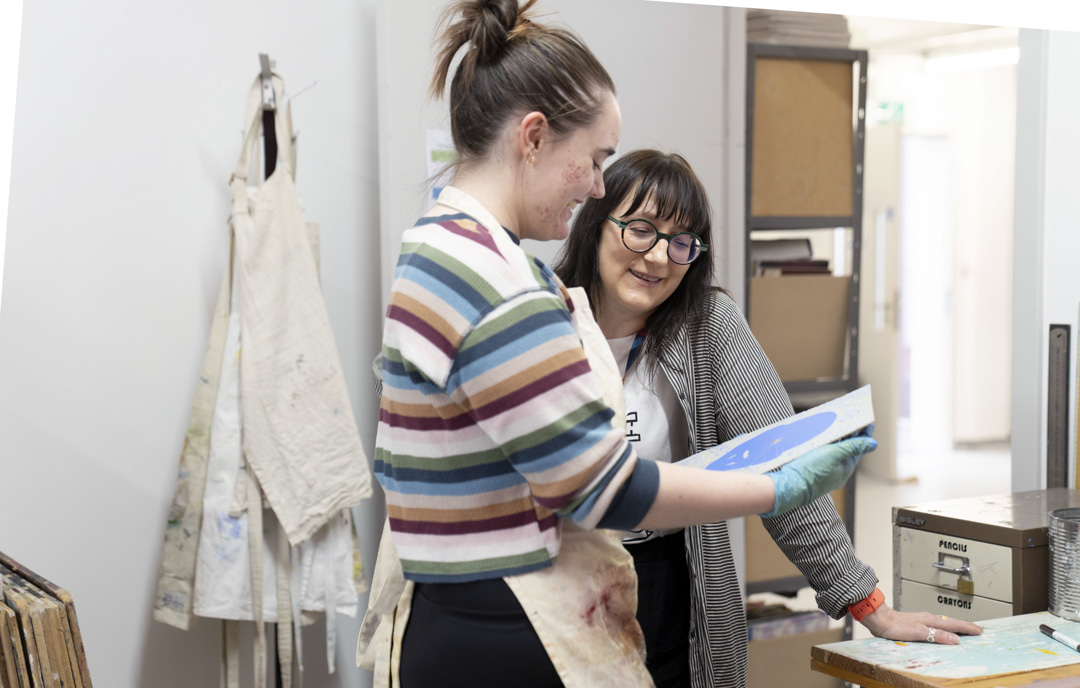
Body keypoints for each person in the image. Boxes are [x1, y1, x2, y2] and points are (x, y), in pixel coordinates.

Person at [360, 2, 880, 686]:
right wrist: (769, 487)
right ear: (535, 138)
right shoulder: (507, 283)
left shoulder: (434, 246)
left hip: (480, 614)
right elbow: (599, 489)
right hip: (514, 625)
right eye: (597, 160)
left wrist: (860, 593)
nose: (598, 184)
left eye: (681, 243)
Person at [552, 149, 983, 687]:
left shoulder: (707, 325)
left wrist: (868, 603)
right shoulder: (542, 318)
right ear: (597, 226)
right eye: (640, 229)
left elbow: (784, 460)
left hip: (671, 582)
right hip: (560, 581)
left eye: (681, 241)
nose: (659, 257)